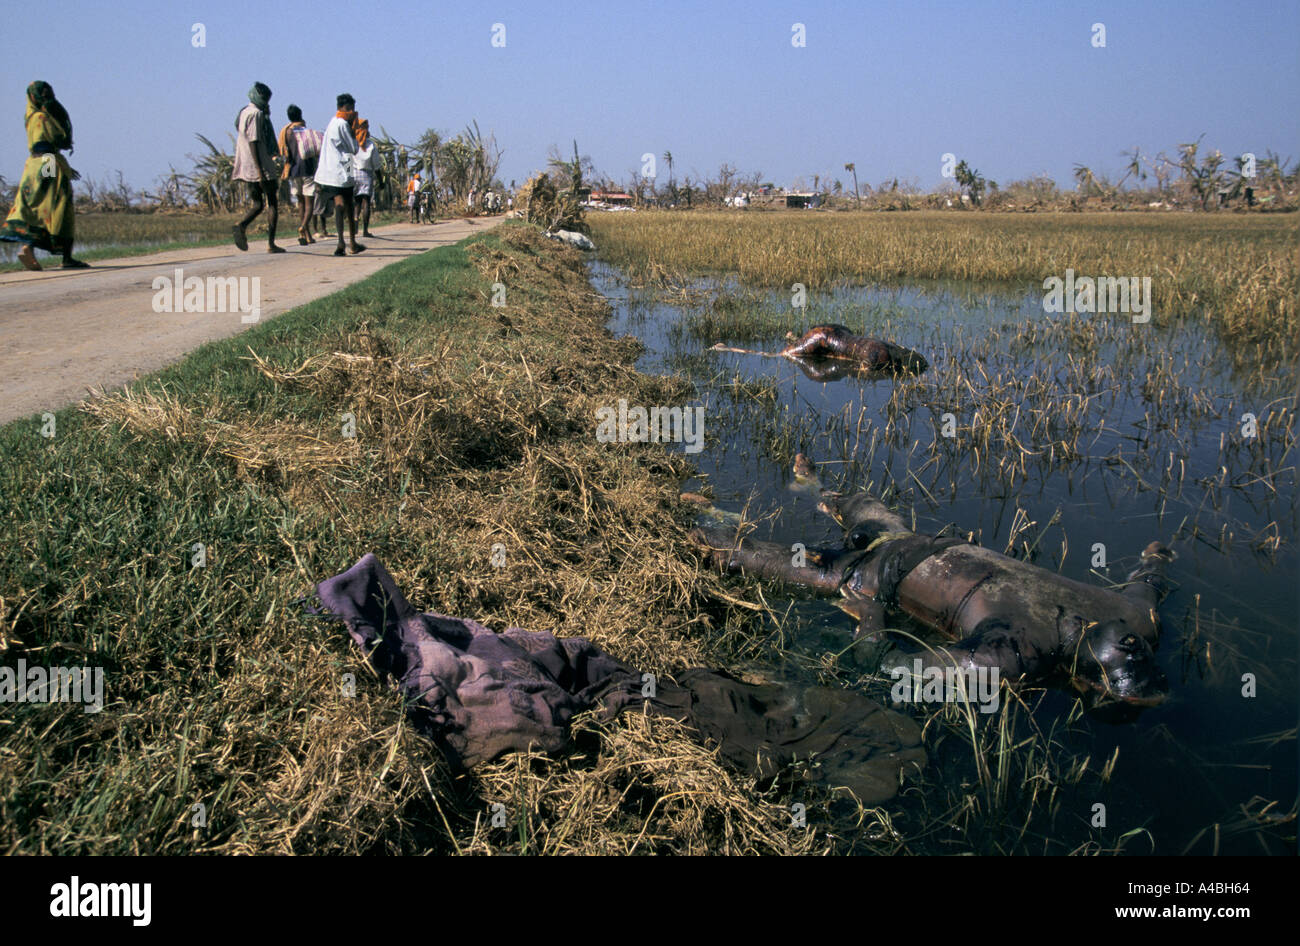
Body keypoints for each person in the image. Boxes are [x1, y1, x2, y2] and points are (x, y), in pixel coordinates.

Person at [0, 81, 88, 269]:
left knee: (36, 207)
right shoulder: (43, 118)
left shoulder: (29, 118)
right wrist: (55, 170)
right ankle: (65, 258)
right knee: (58, 208)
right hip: (48, 162)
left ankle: (29, 247)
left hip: (32, 165)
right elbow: (53, 142)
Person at [232, 82, 283, 253]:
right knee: (273, 203)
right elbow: (254, 141)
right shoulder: (256, 114)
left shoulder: (243, 112)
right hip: (260, 164)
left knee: (257, 203)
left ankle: (241, 225)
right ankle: (271, 244)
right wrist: (260, 170)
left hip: (245, 163)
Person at [313, 93, 364, 256]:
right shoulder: (343, 124)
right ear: (346, 108)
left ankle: (341, 241)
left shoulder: (332, 122)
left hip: (330, 172)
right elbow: (353, 149)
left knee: (339, 205)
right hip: (342, 171)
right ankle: (352, 242)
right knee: (347, 206)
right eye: (351, 109)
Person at [278, 104, 322, 245]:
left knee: (301, 203)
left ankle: (307, 235)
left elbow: (285, 153)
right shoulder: (306, 131)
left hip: (293, 170)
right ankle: (303, 227)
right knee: (309, 203)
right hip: (307, 169)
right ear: (300, 115)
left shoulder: (287, 133)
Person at [351, 117, 377, 238]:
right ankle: (365, 230)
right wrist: (380, 179)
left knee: (357, 201)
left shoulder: (352, 142)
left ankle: (355, 218)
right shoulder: (370, 144)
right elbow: (376, 163)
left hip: (354, 173)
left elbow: (347, 159)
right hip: (367, 174)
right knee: (366, 202)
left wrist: (349, 174)